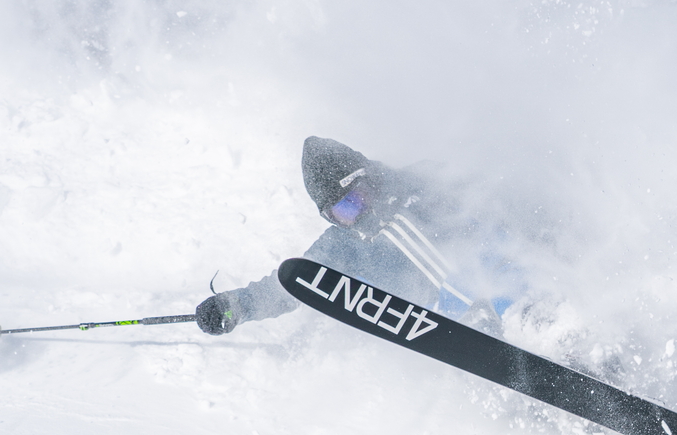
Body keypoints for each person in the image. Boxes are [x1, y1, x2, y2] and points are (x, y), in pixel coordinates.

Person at [195, 137, 511, 337]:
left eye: (353, 201)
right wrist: (236, 305)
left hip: (504, 283)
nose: (353, 216)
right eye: (339, 214)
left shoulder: (420, 181)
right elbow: (294, 285)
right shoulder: (343, 244)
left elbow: (493, 207)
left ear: (366, 179)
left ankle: (529, 322)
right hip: (448, 322)